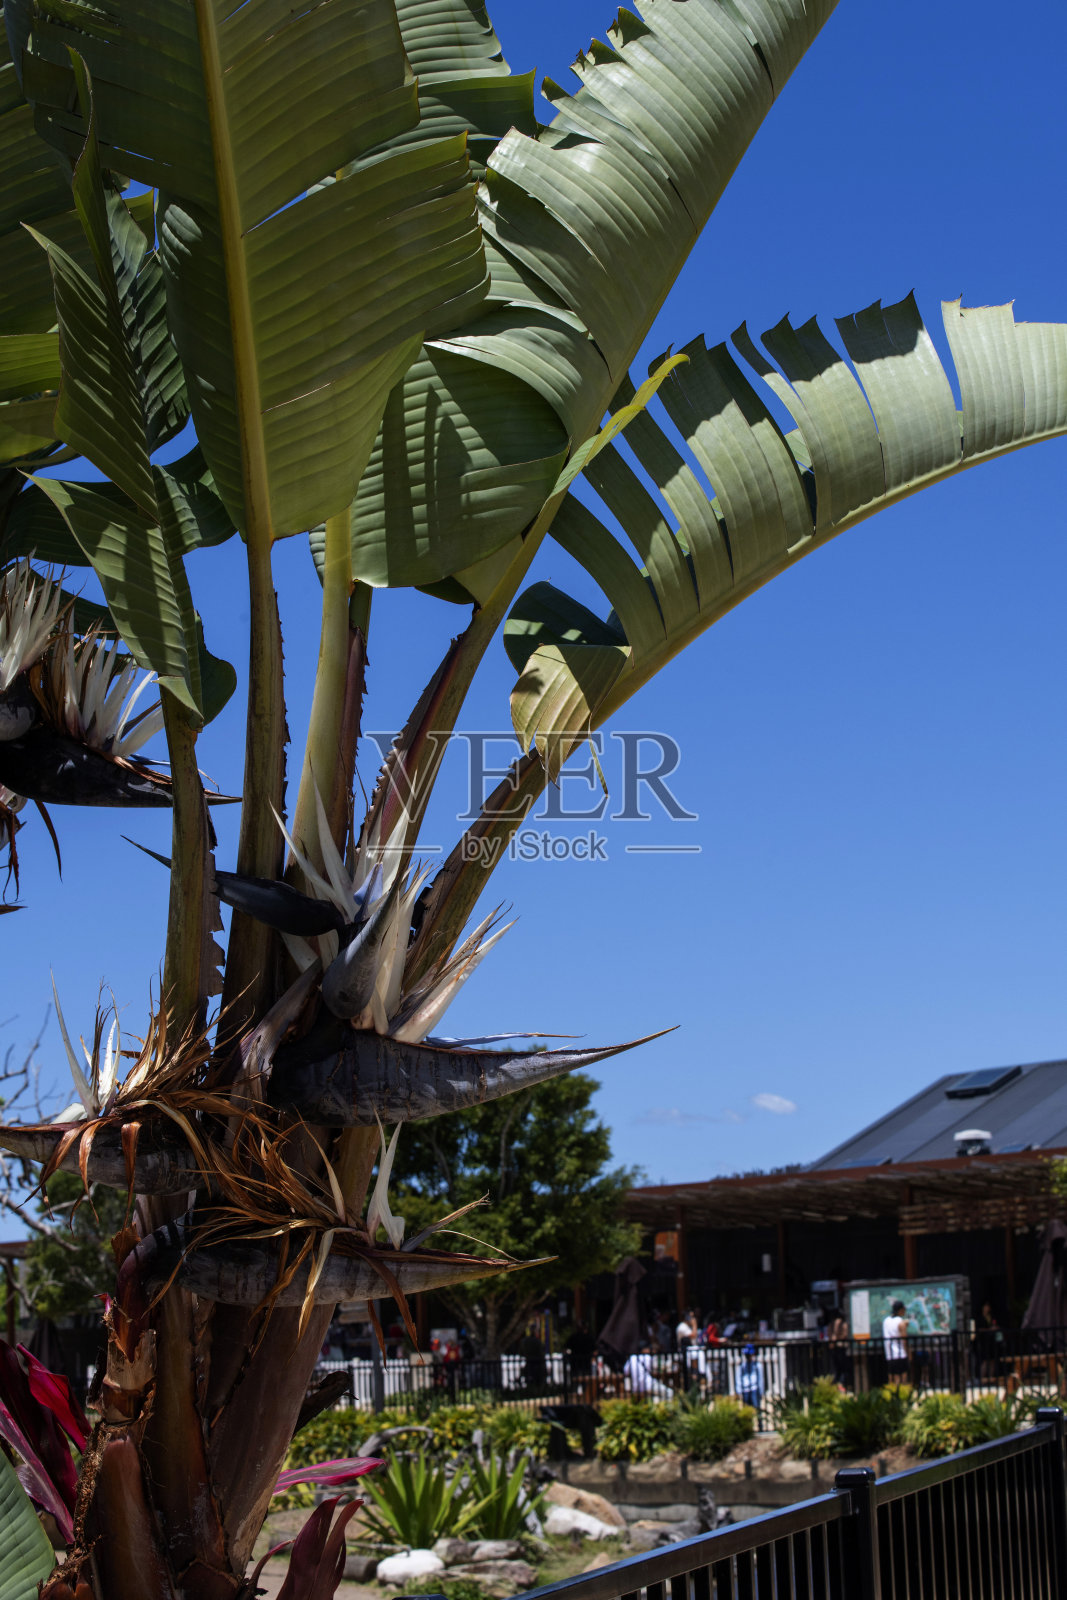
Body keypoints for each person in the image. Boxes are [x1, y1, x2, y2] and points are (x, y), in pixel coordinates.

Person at [883, 1300, 909, 1381]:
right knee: (902, 1378)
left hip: (889, 1354)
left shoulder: (886, 1321)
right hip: (900, 1354)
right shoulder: (900, 1322)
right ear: (901, 1310)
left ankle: (892, 1392)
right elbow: (904, 1339)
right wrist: (908, 1353)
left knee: (891, 1377)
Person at [735, 1344, 764, 1409]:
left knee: (757, 1408)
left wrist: (761, 1391)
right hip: (745, 1390)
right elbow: (738, 1379)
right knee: (747, 1409)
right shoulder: (741, 1366)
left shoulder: (757, 1365)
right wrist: (739, 1391)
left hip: (755, 1389)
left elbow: (760, 1379)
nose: (748, 1357)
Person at [828, 1310, 851, 1388]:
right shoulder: (843, 1323)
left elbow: (829, 1335)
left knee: (836, 1368)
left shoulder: (831, 1324)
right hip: (842, 1347)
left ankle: (837, 1384)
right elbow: (845, 1334)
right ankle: (841, 1384)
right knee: (843, 1368)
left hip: (833, 1348)